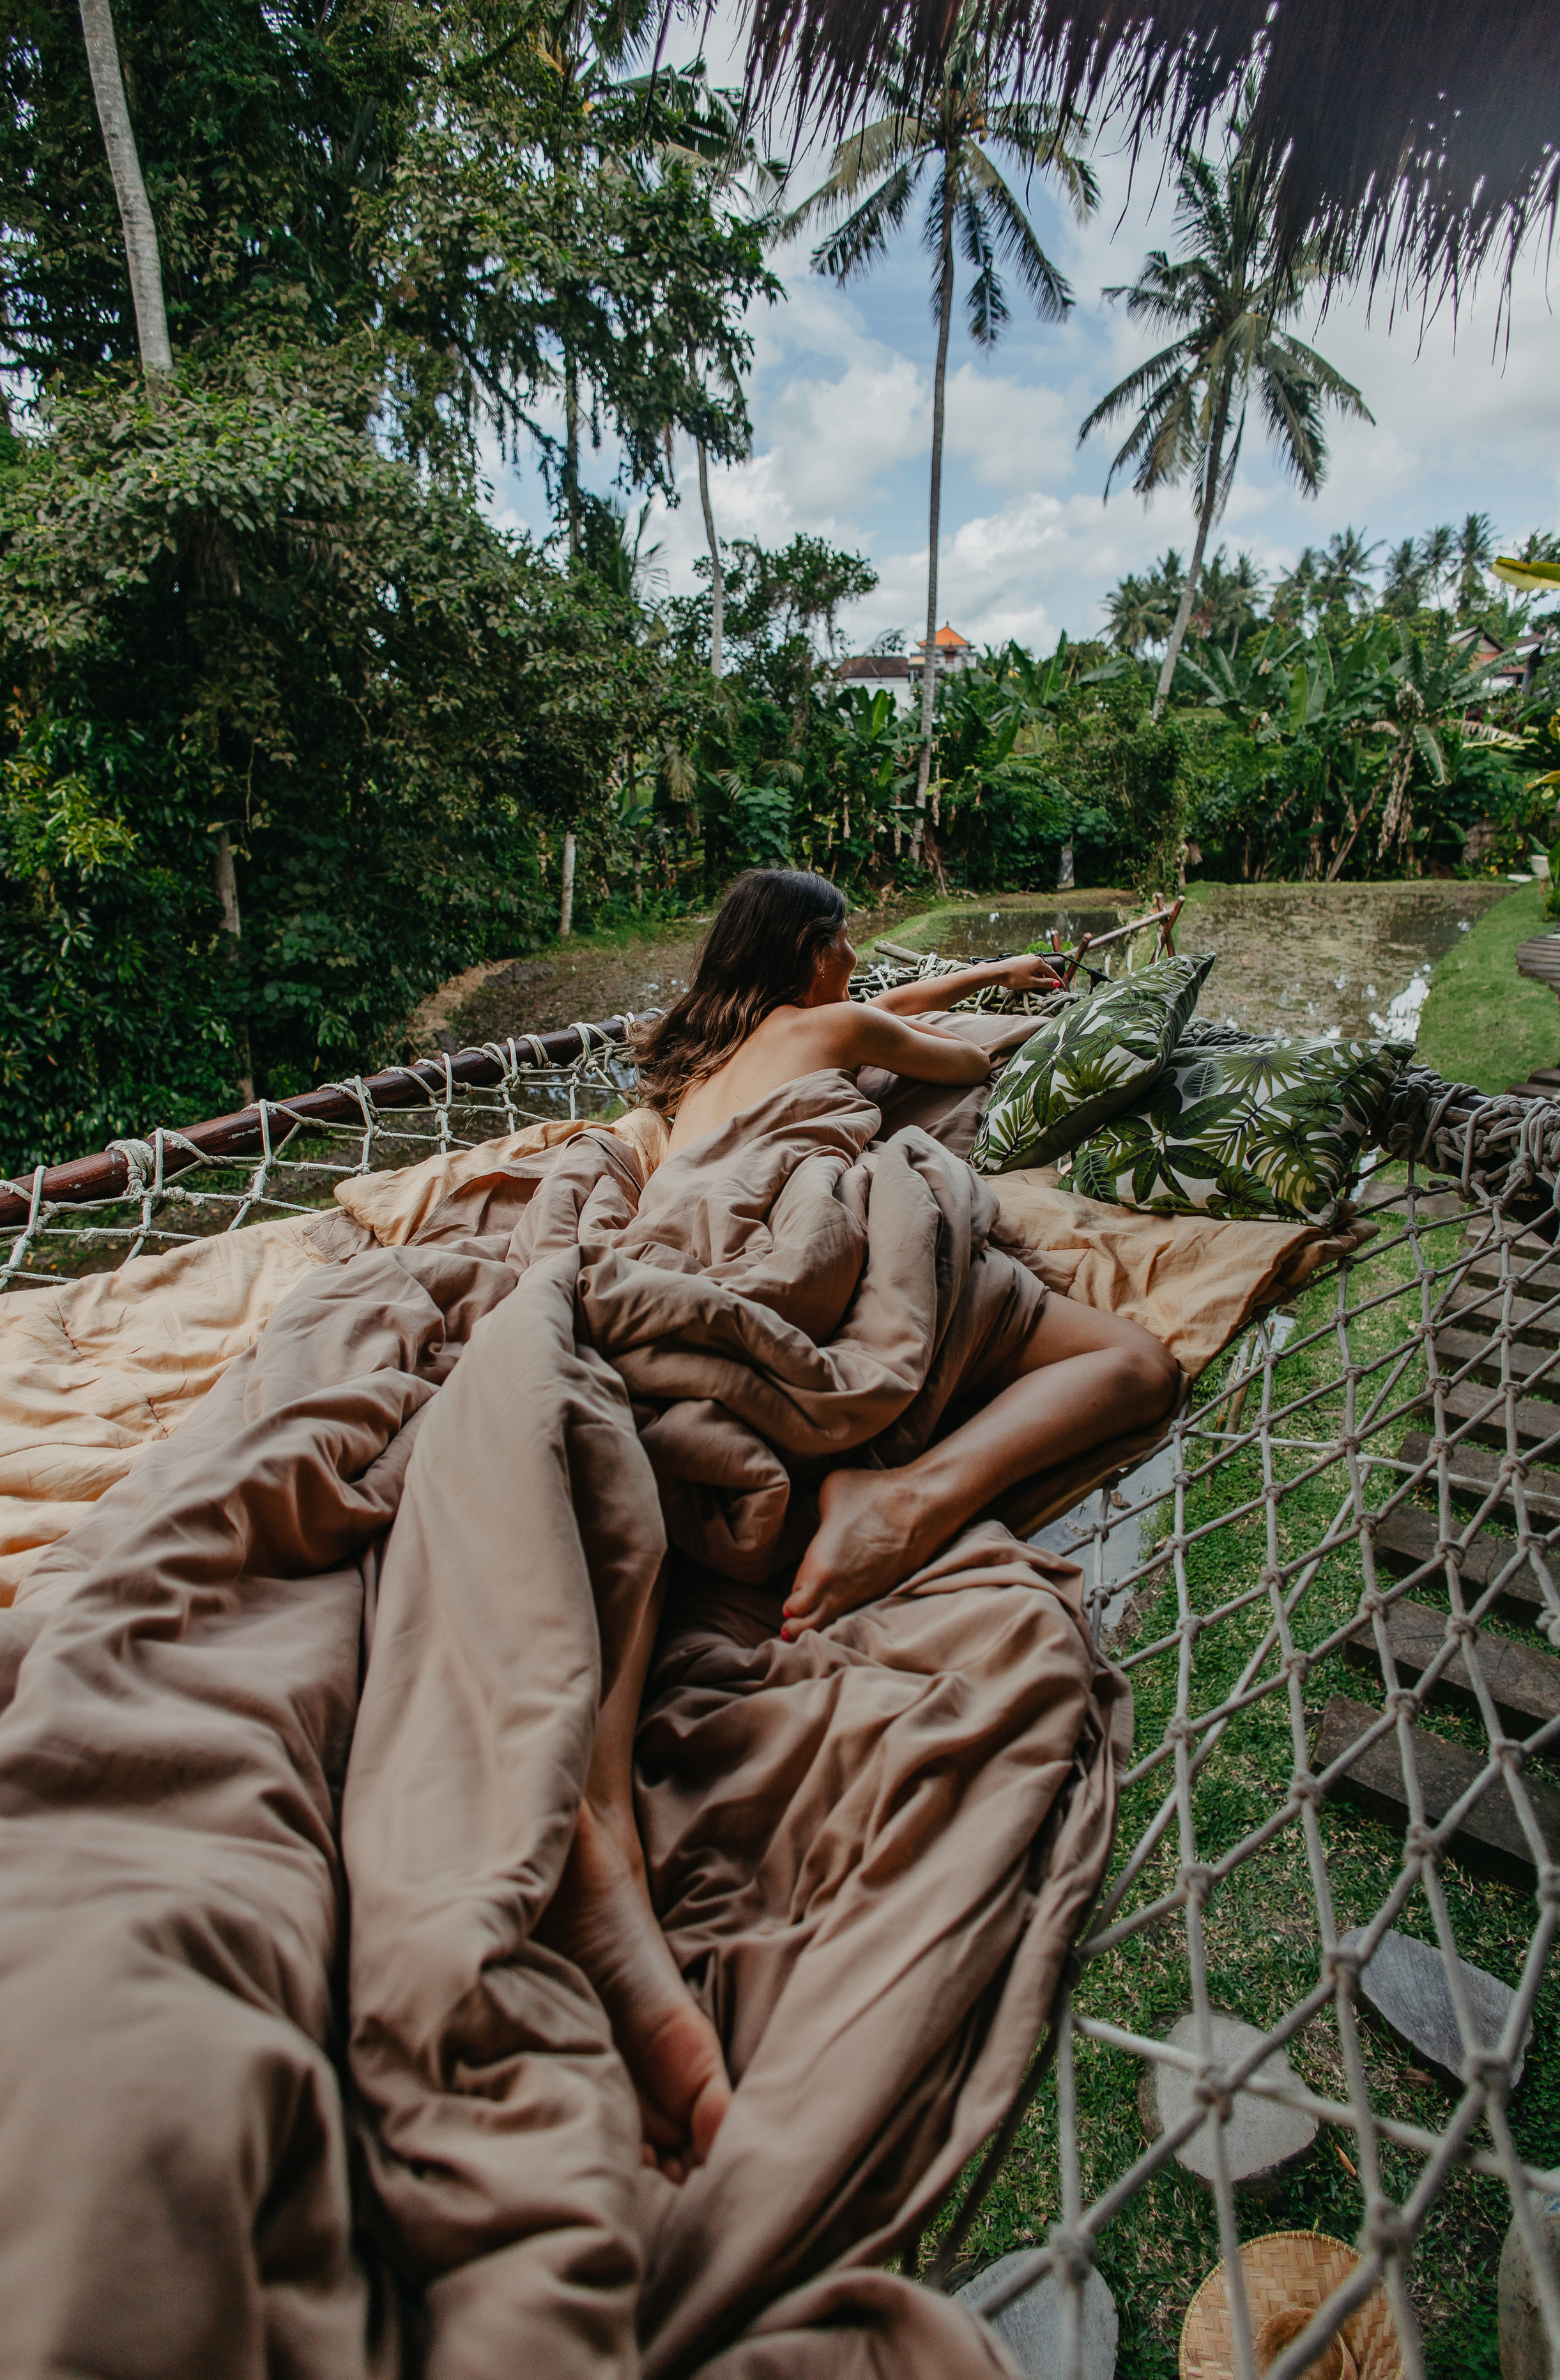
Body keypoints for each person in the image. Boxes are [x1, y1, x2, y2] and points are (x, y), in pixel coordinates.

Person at [546, 868, 1178, 2186]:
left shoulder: (692, 1059)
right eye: (849, 951)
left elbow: (894, 1008)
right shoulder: (834, 1031)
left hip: (672, 1252)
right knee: (1129, 1364)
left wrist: (983, 974)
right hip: (802, 1255)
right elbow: (940, 1049)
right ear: (821, 956)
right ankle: (912, 1491)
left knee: (631, 1487)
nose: (858, 969)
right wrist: (1012, 1014)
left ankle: (596, 1804)